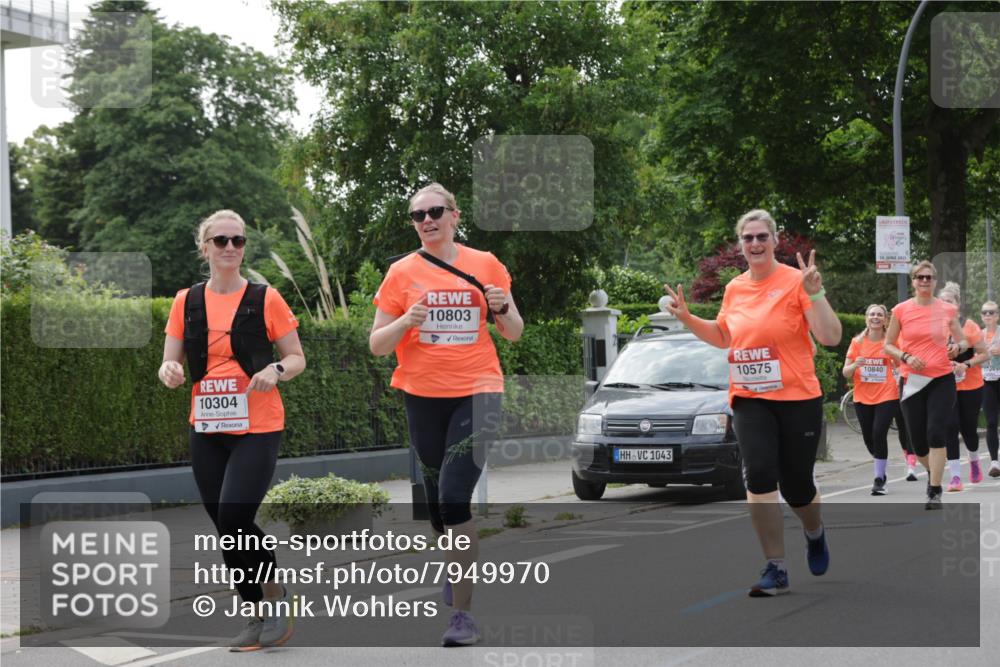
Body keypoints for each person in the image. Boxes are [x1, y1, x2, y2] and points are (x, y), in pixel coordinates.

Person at [369, 183, 523, 646]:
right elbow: (377, 345)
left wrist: (501, 307)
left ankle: (463, 615)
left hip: (478, 391)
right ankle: (455, 566)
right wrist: (406, 321)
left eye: (435, 211)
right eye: (418, 215)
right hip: (422, 395)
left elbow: (514, 331)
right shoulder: (400, 273)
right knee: (436, 509)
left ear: (455, 215)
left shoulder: (486, 264)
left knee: (455, 499)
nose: (427, 220)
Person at [665, 209, 842, 597]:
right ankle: (776, 567)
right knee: (759, 476)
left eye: (763, 237)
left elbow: (829, 336)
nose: (756, 244)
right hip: (749, 398)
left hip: (797, 398)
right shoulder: (735, 289)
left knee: (797, 486)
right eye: (748, 238)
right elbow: (724, 335)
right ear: (740, 245)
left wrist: (816, 292)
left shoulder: (797, 281)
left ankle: (814, 532)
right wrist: (688, 318)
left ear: (775, 241)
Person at [159, 210, 305, 651]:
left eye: (237, 241)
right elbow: (170, 360)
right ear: (205, 247)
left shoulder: (266, 298)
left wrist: (276, 370)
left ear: (244, 247)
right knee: (225, 525)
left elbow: (297, 357)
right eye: (220, 240)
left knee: (236, 516)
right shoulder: (186, 301)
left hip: (258, 425)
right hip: (207, 426)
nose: (229, 248)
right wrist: (169, 370)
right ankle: (255, 612)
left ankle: (274, 597)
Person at [883, 261, 967, 509]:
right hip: (912, 380)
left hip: (941, 378)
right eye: (920, 277)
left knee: (936, 433)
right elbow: (888, 345)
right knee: (918, 443)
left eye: (929, 277)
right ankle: (935, 473)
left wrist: (956, 348)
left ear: (935, 281)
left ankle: (935, 488)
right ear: (913, 281)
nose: (924, 281)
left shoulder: (947, 310)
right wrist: (906, 357)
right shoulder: (900, 310)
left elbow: (962, 342)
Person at [842, 304, 907, 495]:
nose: (875, 317)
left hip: (887, 394)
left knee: (879, 433)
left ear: (885, 320)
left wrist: (896, 369)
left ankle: (879, 479)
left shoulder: (890, 343)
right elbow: (846, 373)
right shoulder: (857, 342)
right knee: (869, 438)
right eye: (872, 314)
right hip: (862, 396)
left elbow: (902, 366)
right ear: (866, 319)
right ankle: (881, 463)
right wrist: (855, 364)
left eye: (879, 314)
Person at [936, 282, 989, 491]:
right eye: (942, 302)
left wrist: (965, 365)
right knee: (950, 428)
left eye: (949, 301)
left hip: (971, 386)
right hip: (944, 386)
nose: (945, 305)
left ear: (957, 305)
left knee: (969, 430)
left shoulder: (970, 326)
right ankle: (956, 477)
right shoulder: (934, 327)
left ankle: (974, 460)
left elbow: (984, 354)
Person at [981, 300, 1000, 476]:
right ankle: (994, 462)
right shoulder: (978, 335)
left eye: (991, 312)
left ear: (997, 315)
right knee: (991, 422)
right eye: (985, 312)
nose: (988, 315)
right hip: (986, 381)